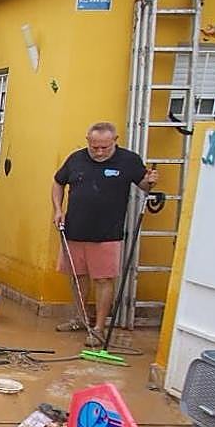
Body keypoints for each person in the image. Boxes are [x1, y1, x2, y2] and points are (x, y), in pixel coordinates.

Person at [52, 122, 157, 346]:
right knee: (78, 277)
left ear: (115, 141)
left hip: (108, 233)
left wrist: (150, 181)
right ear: (88, 141)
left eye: (105, 148)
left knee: (103, 279)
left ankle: (99, 328)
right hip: (74, 230)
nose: (99, 152)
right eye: (94, 147)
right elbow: (58, 182)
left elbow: (144, 186)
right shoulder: (76, 159)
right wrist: (58, 210)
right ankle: (80, 319)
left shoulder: (129, 160)